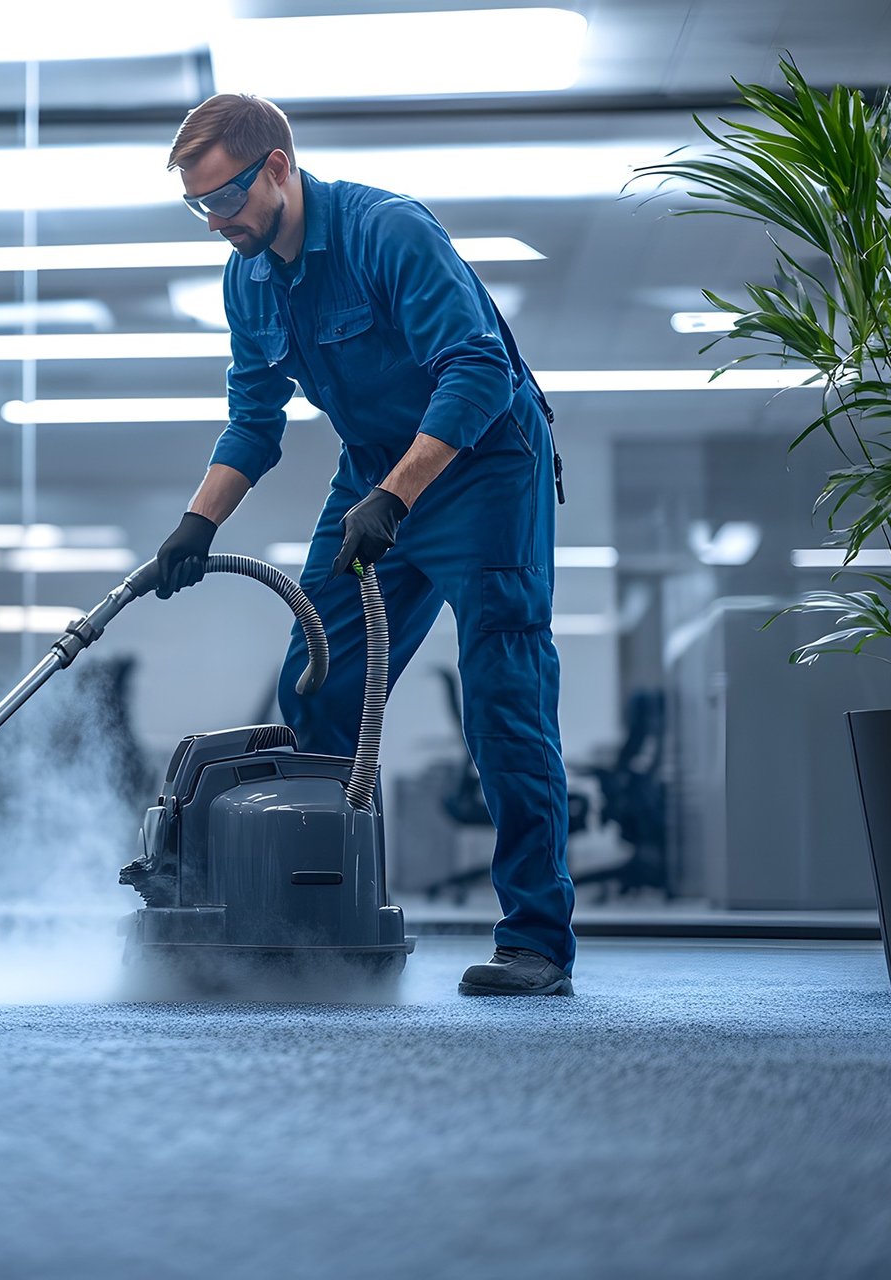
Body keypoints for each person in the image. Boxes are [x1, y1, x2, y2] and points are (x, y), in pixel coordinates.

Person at [154, 94, 576, 997]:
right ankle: (332, 916)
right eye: (197, 207)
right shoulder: (248, 279)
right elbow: (254, 421)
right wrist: (197, 526)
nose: (216, 222)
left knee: (502, 701)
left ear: (276, 167)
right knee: (319, 681)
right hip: (377, 472)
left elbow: (478, 370)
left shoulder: (388, 232)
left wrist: (395, 497)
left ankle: (536, 941)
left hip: (486, 466)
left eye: (224, 198)